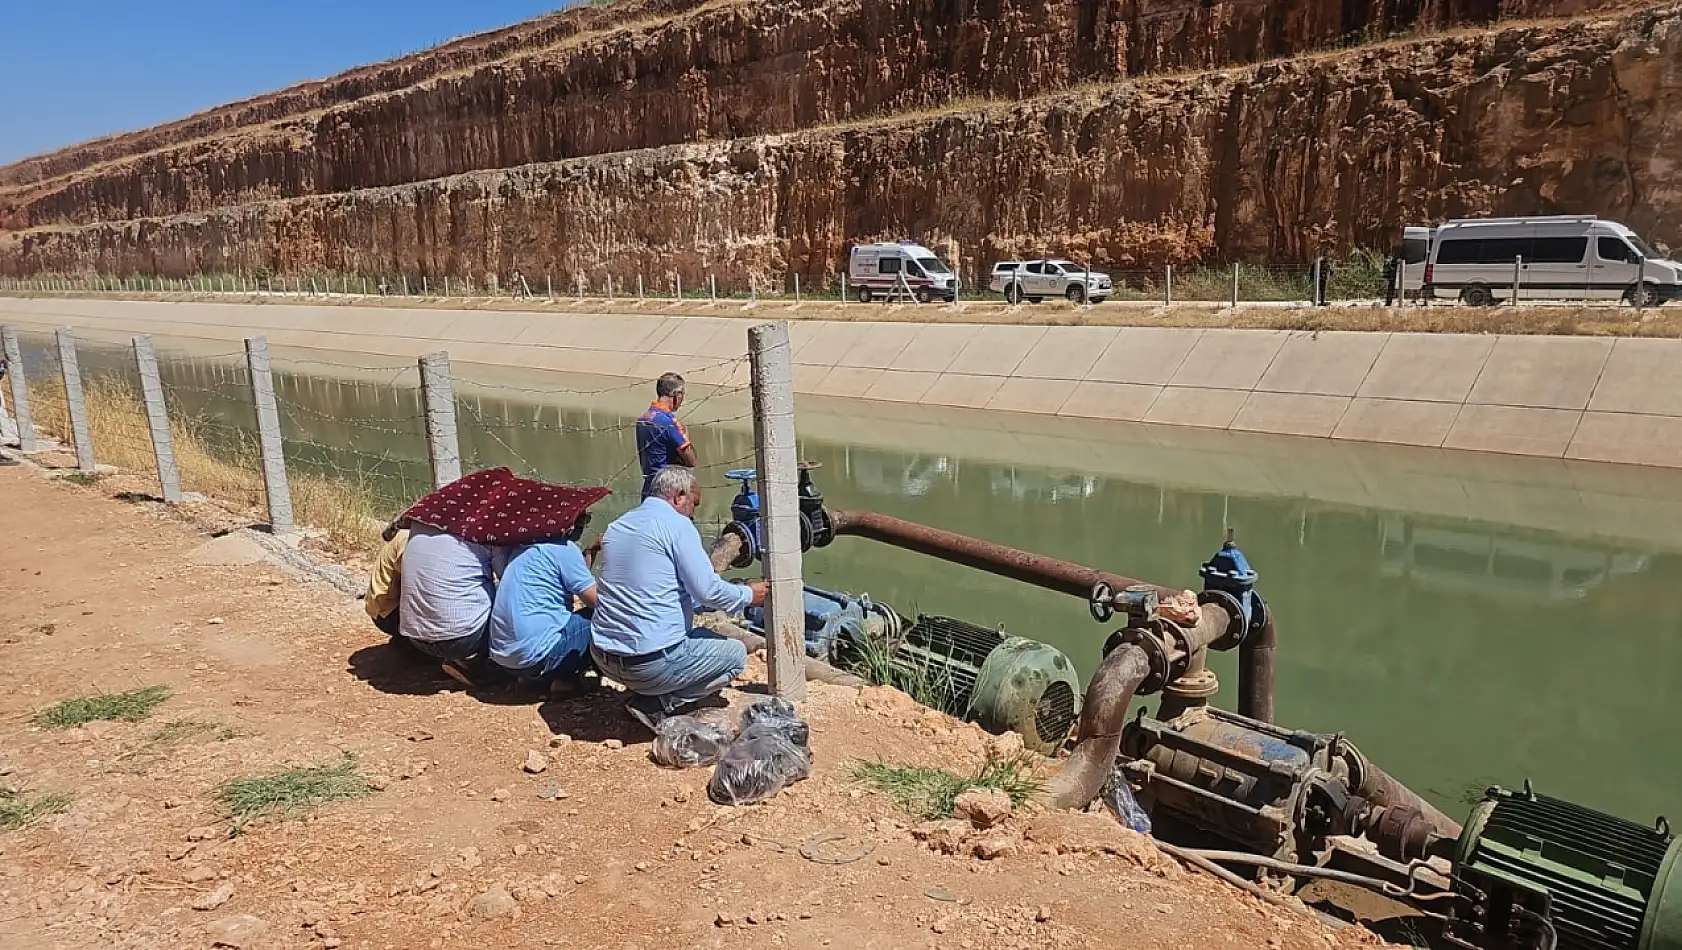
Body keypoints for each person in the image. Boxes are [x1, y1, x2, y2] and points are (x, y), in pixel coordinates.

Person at [590, 466, 768, 730]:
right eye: (694, 504)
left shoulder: (619, 525)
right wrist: (749, 594)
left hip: (603, 655)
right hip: (646, 664)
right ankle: (658, 703)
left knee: (700, 637)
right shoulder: (677, 525)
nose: (694, 514)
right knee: (735, 655)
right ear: (678, 496)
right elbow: (707, 591)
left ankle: (650, 689)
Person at [489, 512, 599, 692]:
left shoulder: (521, 547)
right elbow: (599, 603)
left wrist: (590, 551)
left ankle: (532, 680)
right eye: (582, 520)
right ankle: (566, 679)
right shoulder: (564, 549)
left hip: (505, 659)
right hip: (537, 658)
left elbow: (573, 576)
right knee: (600, 616)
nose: (583, 525)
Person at [396, 522, 508, 683]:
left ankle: (461, 659)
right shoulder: (487, 526)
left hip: (415, 637)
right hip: (462, 639)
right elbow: (509, 580)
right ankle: (479, 665)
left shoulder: (423, 520)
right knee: (509, 599)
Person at [635, 373, 697, 499]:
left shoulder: (643, 419)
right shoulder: (669, 422)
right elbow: (691, 460)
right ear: (677, 395)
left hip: (649, 487)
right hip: (668, 490)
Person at [365, 520, 410, 637]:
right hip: (387, 612)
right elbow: (414, 581)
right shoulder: (408, 538)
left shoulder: (406, 533)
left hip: (382, 607)